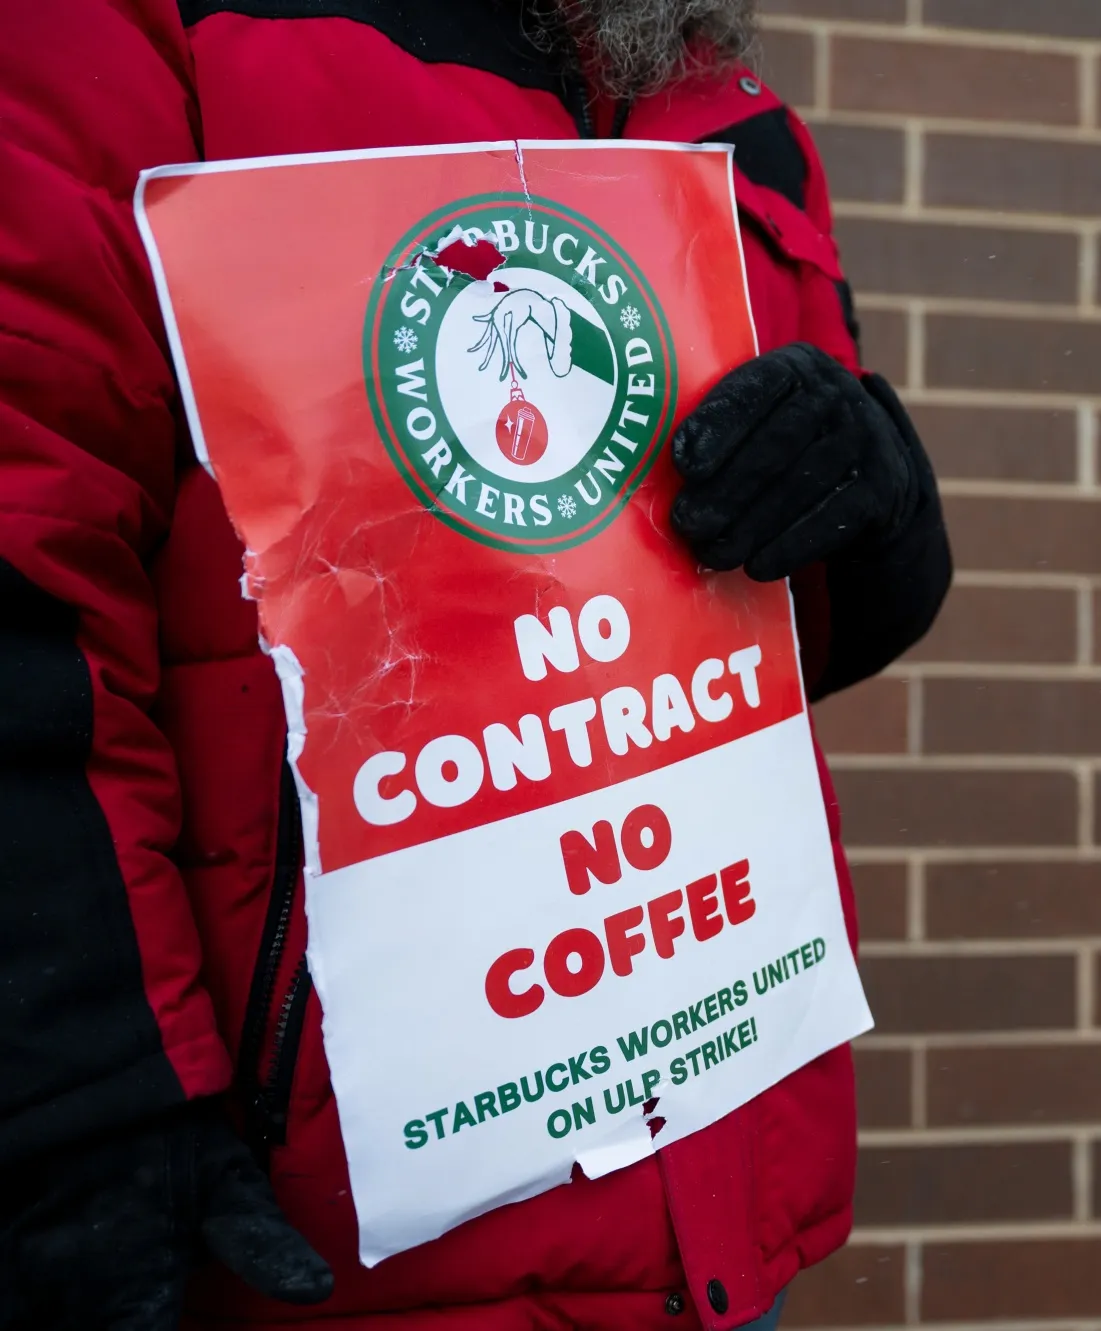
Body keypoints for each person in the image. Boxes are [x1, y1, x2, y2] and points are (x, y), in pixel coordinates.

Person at [0, 2, 950, 1327]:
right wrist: (84, 1097)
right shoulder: (138, 37)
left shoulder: (732, 117)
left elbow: (778, 613)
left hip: (717, 1208)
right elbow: (28, 563)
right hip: (342, 1241)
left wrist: (878, 502)